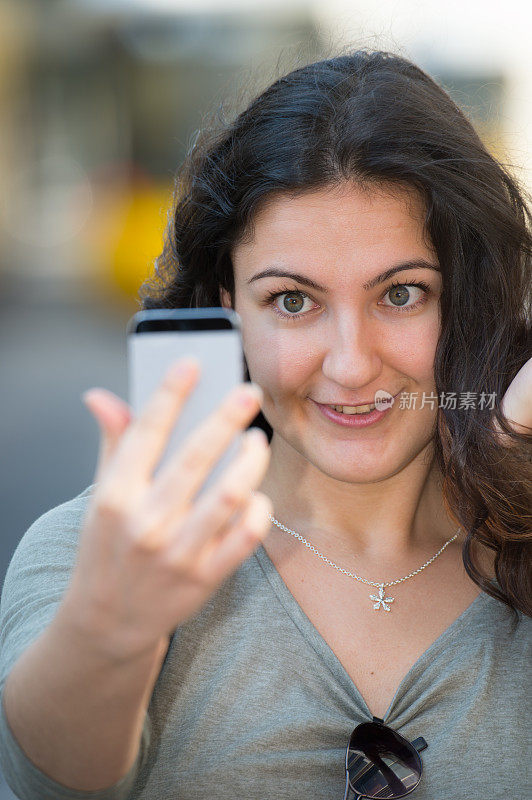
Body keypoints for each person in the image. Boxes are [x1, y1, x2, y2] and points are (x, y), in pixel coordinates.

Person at [0, 49, 531, 800]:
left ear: (466, 300)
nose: (350, 364)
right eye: (292, 301)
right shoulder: (102, 553)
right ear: (228, 312)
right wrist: (111, 631)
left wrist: (515, 476)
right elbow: (48, 780)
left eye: (402, 294)